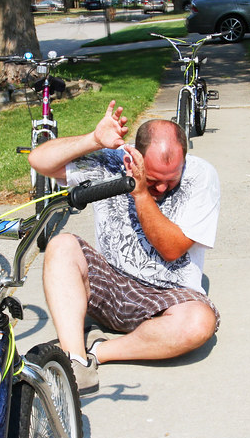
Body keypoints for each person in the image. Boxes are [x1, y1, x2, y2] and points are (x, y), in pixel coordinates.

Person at [28, 100, 220, 395]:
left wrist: (142, 191)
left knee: (198, 323)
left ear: (184, 161)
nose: (162, 189)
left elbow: (172, 249)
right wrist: (92, 140)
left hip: (170, 298)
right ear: (136, 156)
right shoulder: (113, 160)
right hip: (111, 285)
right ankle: (75, 361)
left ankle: (98, 352)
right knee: (61, 244)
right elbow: (39, 161)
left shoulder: (200, 176)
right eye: (154, 180)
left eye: (171, 181)